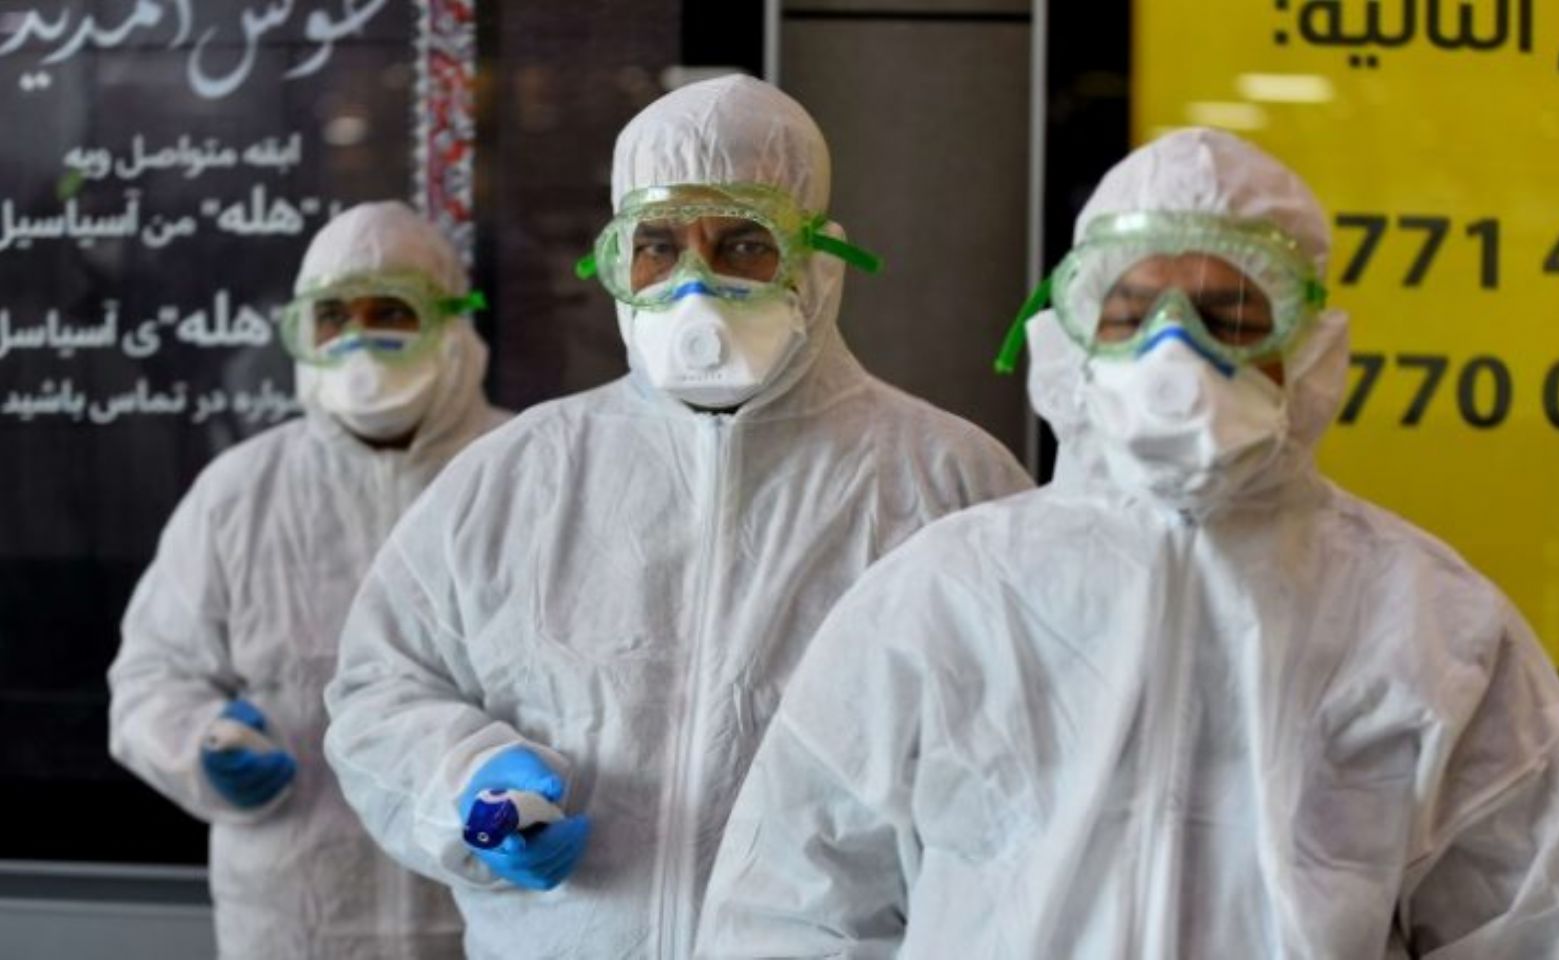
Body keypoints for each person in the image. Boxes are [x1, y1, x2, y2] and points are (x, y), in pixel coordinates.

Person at [694, 128, 1559, 958]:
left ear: (1307, 348)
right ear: (1074, 338)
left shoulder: (1431, 626)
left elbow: (1525, 931)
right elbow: (794, 909)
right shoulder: (948, 597)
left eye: (1227, 316)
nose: (1175, 352)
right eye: (1131, 316)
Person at [322, 75, 1033, 959]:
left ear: (818, 261)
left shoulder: (947, 483)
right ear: (618, 263)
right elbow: (381, 685)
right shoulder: (519, 475)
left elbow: (1033, 762)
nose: (695, 286)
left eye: (744, 243)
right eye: (658, 246)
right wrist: (465, 779)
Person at [109, 201, 506, 959]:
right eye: (332, 317)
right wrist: (201, 745)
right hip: (296, 921)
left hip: (485, 911)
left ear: (453, 321)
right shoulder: (241, 493)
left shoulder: (528, 473)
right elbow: (151, 675)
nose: (359, 337)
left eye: (391, 310)